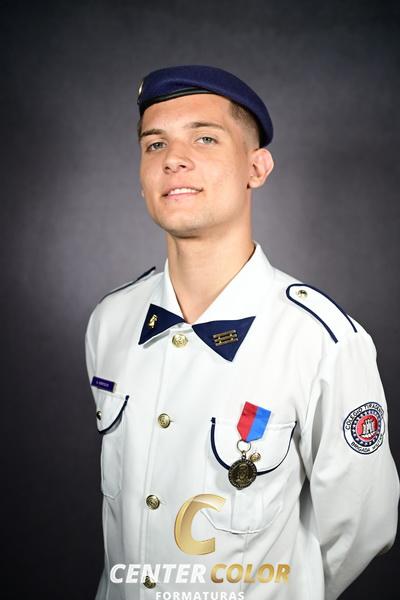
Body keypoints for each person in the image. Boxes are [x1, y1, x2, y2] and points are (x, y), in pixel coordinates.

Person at [85, 65, 399, 600]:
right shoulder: (110, 321)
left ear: (257, 167)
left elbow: (363, 528)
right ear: (141, 176)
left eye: (205, 138)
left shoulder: (322, 341)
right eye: (155, 144)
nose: (173, 159)